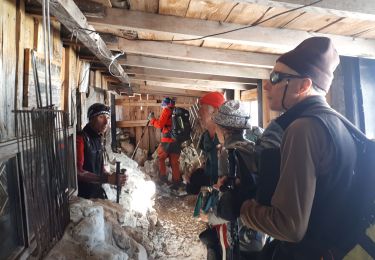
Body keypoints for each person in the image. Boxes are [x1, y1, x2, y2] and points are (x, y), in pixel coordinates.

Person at [219, 37, 357, 259]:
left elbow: (289, 227)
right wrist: (250, 189)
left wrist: (242, 207)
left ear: (304, 85)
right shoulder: (336, 122)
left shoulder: (303, 129)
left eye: (276, 78)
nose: (266, 84)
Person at [198, 100, 266, 260]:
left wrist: (210, 217)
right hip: (260, 228)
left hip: (241, 233)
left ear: (223, 129)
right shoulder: (254, 148)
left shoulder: (228, 154)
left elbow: (230, 205)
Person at [76, 103, 127, 199]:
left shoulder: (98, 138)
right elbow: (78, 172)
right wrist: (107, 179)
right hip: (84, 196)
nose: (106, 122)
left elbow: (100, 167)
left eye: (107, 117)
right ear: (91, 119)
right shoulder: (81, 139)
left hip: (96, 192)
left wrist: (113, 177)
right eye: (101, 117)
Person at [148, 97, 182, 190]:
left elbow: (159, 125)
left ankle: (163, 179)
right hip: (176, 141)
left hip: (167, 141)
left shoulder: (166, 110)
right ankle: (176, 183)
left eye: (162, 106)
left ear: (164, 105)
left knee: (161, 158)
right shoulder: (176, 111)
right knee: (174, 162)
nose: (162, 108)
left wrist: (152, 119)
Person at [197, 92, 226, 185]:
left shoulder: (226, 137)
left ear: (215, 111)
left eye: (202, 109)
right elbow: (205, 160)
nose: (199, 113)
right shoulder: (205, 136)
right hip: (210, 184)